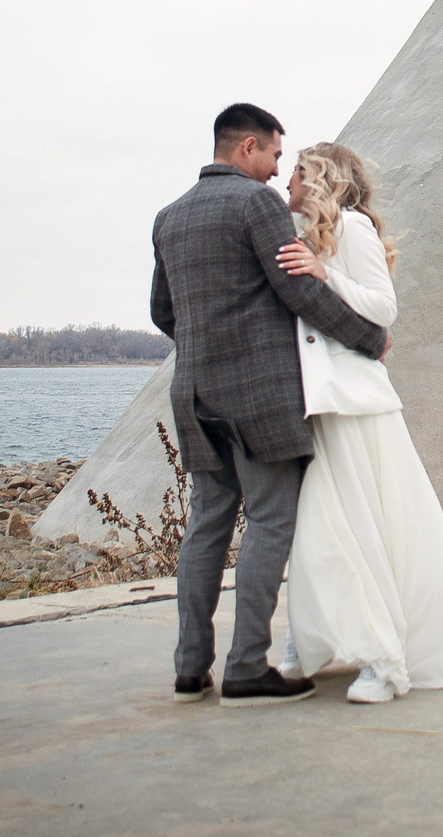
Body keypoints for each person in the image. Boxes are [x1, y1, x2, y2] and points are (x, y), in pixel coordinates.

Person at [274, 142, 443, 704]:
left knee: (370, 524)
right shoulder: (306, 240)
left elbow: (383, 308)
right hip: (320, 401)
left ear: (321, 178)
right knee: (323, 527)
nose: (288, 183)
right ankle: (310, 642)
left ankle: (384, 662)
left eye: (297, 173)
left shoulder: (351, 228)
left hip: (360, 402)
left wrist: (327, 275)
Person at [150, 103, 390, 705]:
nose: (278, 170)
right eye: (275, 156)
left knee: (206, 524)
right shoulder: (254, 204)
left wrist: (208, 343)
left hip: (194, 392)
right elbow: (297, 287)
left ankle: (189, 667)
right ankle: (247, 665)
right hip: (259, 395)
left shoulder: (169, 217)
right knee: (269, 521)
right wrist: (370, 339)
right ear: (247, 147)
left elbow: (162, 311)